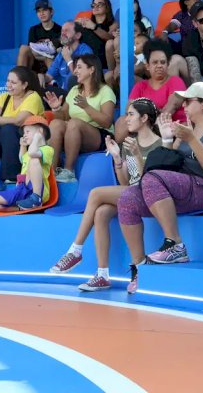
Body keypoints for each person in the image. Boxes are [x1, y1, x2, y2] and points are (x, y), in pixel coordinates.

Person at [118, 82, 203, 293]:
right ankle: (139, 267)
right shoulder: (186, 129)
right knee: (128, 198)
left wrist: (191, 139)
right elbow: (166, 164)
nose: (184, 105)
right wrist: (167, 139)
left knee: (152, 178)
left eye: (189, 101)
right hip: (180, 188)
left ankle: (175, 245)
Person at [49, 99, 162, 291]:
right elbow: (126, 183)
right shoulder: (129, 144)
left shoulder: (159, 144)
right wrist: (118, 158)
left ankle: (75, 250)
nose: (126, 119)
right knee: (101, 213)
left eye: (131, 114)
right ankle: (102, 274)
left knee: (95, 193)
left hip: (149, 195)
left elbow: (152, 182)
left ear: (144, 118)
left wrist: (136, 155)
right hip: (132, 193)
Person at [44, 54, 116, 183]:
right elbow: (64, 116)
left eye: (79, 67)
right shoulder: (74, 90)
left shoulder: (105, 91)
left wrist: (87, 107)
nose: (75, 71)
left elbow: (107, 122)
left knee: (74, 123)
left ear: (91, 69)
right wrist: (56, 109)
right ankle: (51, 172)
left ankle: (69, 171)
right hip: (73, 135)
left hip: (101, 136)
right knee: (55, 123)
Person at [113, 39, 186, 144]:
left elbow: (170, 109)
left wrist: (145, 117)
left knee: (161, 119)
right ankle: (121, 151)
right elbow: (129, 110)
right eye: (155, 62)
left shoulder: (175, 81)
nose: (159, 65)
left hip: (172, 130)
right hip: (145, 128)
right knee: (122, 121)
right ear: (147, 65)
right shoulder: (140, 86)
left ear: (168, 64)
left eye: (163, 62)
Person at [0, 116, 54, 211]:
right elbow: (22, 159)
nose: (24, 135)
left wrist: (37, 138)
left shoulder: (47, 149)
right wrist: (22, 146)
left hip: (37, 190)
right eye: (24, 133)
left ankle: (36, 199)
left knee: (34, 160)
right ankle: (19, 208)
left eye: (27, 132)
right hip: (21, 190)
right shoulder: (28, 153)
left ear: (40, 131)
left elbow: (33, 153)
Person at [44, 21, 93, 97]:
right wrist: (40, 77)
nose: (63, 34)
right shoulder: (61, 54)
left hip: (78, 95)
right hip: (62, 94)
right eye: (62, 31)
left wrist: (69, 60)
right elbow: (49, 76)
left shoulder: (85, 51)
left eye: (67, 31)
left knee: (73, 78)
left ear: (77, 35)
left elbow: (79, 77)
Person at [17, 0, 62, 75]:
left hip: (51, 64)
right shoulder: (33, 30)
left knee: (51, 57)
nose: (41, 13)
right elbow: (30, 50)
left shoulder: (60, 30)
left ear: (52, 12)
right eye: (38, 11)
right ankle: (20, 79)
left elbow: (59, 52)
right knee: (24, 48)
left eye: (44, 10)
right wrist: (45, 54)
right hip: (35, 64)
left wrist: (44, 54)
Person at [78, 0, 117, 70]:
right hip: (86, 61)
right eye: (94, 5)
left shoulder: (113, 24)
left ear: (107, 7)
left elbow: (110, 38)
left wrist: (94, 27)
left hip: (103, 63)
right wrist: (76, 25)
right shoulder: (86, 22)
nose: (96, 7)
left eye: (99, 4)